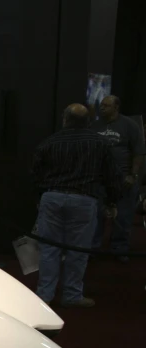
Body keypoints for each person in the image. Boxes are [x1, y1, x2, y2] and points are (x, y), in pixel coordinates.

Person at [32, 104, 120, 307]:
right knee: (78, 250)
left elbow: (35, 174)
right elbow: (111, 176)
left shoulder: (49, 142)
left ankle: (44, 295)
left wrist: (39, 198)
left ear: (65, 120)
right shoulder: (100, 143)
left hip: (52, 197)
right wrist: (112, 201)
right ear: (88, 121)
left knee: (49, 250)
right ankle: (72, 295)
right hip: (84, 199)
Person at [90, 95, 146, 261]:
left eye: (107, 106)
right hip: (100, 179)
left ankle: (119, 248)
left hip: (123, 178)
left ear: (116, 107)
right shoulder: (94, 125)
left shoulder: (129, 125)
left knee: (123, 216)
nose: (102, 108)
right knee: (97, 215)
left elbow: (138, 152)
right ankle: (94, 247)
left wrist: (133, 174)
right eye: (101, 105)